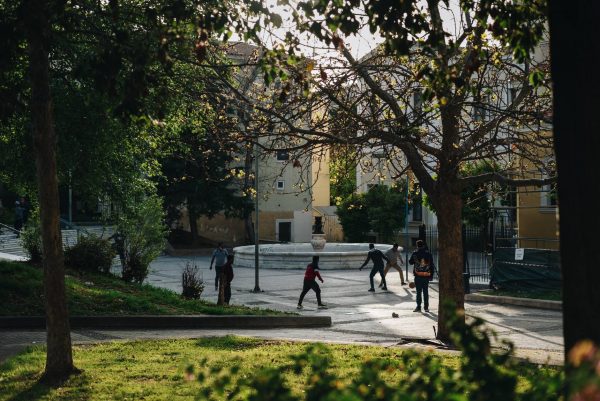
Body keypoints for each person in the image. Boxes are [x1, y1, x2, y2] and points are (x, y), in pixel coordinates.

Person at [409, 240, 435, 312]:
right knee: (425, 292)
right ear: (423, 245)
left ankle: (418, 307)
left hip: (418, 276)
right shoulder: (428, 253)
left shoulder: (415, 253)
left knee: (418, 292)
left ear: (417, 245)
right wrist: (431, 275)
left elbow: (410, 262)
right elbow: (431, 265)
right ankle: (426, 307)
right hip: (426, 275)